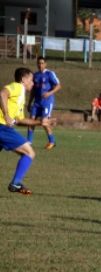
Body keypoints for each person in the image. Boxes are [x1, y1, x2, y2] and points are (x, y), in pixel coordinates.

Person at [0, 67, 55, 195]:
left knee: (28, 153)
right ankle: (15, 183)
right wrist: (6, 114)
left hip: (4, 128)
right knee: (29, 153)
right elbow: (2, 93)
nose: (33, 83)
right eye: (31, 80)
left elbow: (20, 120)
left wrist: (40, 122)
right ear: (23, 79)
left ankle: (16, 183)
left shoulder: (21, 96)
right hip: (2, 127)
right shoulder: (17, 87)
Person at [27, 56, 61, 150]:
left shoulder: (50, 74)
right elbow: (33, 91)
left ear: (45, 64)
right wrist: (29, 102)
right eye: (39, 63)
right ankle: (29, 142)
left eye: (42, 63)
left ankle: (52, 141)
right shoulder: (35, 75)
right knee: (31, 121)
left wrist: (49, 93)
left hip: (47, 102)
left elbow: (58, 86)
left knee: (44, 122)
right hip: (37, 102)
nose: (40, 65)